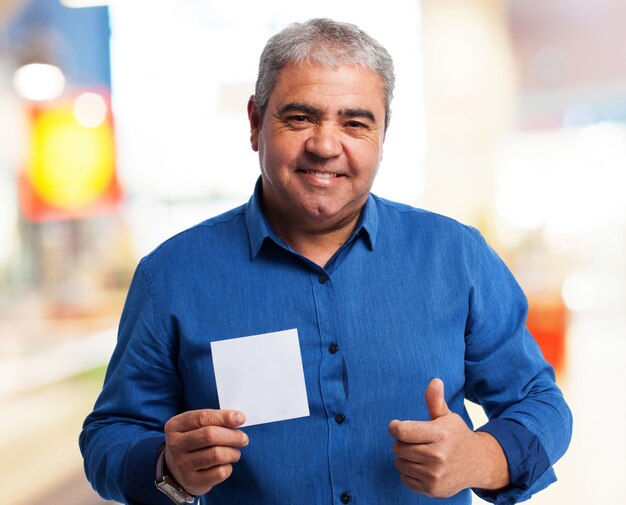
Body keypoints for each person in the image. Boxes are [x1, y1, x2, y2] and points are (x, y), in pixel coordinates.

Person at [80, 18, 572, 505]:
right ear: (255, 123)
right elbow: (110, 437)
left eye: (355, 122)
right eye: (299, 117)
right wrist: (170, 471)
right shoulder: (171, 277)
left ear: (383, 135)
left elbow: (541, 403)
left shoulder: (457, 257)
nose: (325, 144)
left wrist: (482, 458)